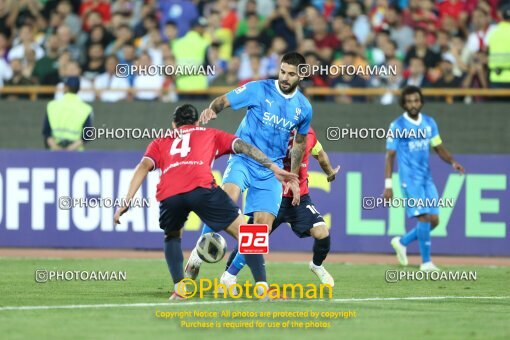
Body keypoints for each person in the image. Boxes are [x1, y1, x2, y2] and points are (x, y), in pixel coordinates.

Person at [113, 104, 298, 300]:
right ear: (196, 122)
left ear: (174, 124)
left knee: (173, 236)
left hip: (170, 194)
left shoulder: (160, 141)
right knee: (248, 234)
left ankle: (180, 289)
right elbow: (244, 146)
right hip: (201, 189)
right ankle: (263, 289)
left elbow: (143, 166)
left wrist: (126, 200)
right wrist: (272, 166)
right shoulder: (209, 133)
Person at [185, 52, 312, 288]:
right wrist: (212, 110)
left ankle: (229, 275)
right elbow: (223, 100)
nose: (285, 77)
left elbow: (300, 143)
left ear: (300, 75)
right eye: (283, 71)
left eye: (291, 74)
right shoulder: (258, 89)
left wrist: (293, 177)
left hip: (271, 170)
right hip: (243, 159)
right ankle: (198, 252)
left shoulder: (304, 107)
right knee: (227, 201)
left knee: (261, 229)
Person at [204, 127, 340, 291]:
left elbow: (321, 155)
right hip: (272, 195)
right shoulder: (273, 132)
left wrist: (330, 172)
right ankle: (228, 276)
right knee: (252, 239)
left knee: (322, 233)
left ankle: (317, 265)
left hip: (299, 199)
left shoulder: (309, 134)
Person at [385, 86, 465, 271]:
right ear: (404, 104)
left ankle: (402, 242)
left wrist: (453, 162)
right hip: (409, 179)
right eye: (409, 101)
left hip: (426, 179)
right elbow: (389, 156)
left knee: (435, 220)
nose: (413, 104)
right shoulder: (396, 126)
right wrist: (388, 185)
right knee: (424, 218)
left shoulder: (429, 123)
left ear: (421, 102)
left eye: (416, 100)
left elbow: (438, 147)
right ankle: (426, 262)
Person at [42, 77, 93, 151]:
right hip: (75, 153)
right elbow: (86, 136)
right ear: (79, 89)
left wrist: (56, 148)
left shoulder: (52, 106)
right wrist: (69, 149)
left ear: (65, 87)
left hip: (55, 152)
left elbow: (46, 133)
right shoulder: (86, 109)